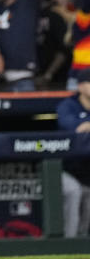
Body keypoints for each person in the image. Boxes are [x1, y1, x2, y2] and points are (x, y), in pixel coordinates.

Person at [54, 70, 90, 238]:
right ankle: (68, 242)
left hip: (87, 171)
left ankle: (82, 243)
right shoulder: (68, 106)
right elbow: (75, 128)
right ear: (80, 86)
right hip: (66, 169)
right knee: (74, 191)